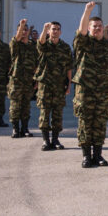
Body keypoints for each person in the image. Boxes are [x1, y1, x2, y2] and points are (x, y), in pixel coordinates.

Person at [72, 3, 108, 168]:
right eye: (94, 26)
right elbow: (81, 30)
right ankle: (86, 156)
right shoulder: (84, 43)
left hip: (103, 91)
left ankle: (98, 155)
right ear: (89, 28)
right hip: (85, 91)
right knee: (85, 123)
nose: (97, 28)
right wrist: (87, 11)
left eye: (100, 26)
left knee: (100, 123)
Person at [34, 21, 72, 149]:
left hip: (59, 85)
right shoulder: (45, 45)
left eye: (57, 29)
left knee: (57, 113)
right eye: (53, 29)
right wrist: (45, 28)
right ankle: (46, 140)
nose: (55, 31)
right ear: (49, 32)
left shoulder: (65, 47)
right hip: (45, 84)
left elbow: (69, 67)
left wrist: (69, 84)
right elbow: (41, 42)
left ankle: (55, 140)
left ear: (60, 32)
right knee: (44, 112)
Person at [6, 20, 36, 138]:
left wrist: (36, 80)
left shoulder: (32, 46)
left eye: (25, 30)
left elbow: (36, 63)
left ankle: (25, 128)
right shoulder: (15, 43)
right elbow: (17, 37)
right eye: (21, 30)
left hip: (28, 80)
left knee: (26, 105)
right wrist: (22, 24)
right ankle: (15, 129)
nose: (23, 32)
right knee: (15, 105)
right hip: (16, 80)